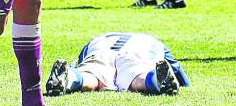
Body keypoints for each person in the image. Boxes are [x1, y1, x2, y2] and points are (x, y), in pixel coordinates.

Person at [45, 32, 190, 97]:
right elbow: (176, 69)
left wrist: (75, 70)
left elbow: (82, 60)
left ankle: (70, 78)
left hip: (101, 50)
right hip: (137, 52)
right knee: (137, 79)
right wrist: (184, 83)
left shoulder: (99, 38)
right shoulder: (152, 40)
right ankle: (155, 80)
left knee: (92, 77)